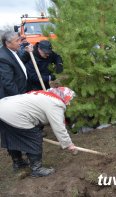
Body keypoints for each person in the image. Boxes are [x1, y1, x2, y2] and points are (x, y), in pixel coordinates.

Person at [0, 87, 76, 177]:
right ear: (64, 97)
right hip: (14, 114)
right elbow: (59, 127)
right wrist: (69, 144)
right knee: (35, 137)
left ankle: (18, 163)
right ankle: (37, 169)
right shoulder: (55, 104)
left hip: (3, 108)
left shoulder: (44, 95)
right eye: (69, 99)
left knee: (12, 136)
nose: (69, 102)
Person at [0, 31, 34, 173]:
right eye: (17, 41)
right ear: (8, 43)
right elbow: (8, 83)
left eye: (20, 40)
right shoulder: (2, 57)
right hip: (10, 99)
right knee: (11, 130)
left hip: (17, 96)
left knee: (18, 128)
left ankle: (22, 156)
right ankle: (17, 161)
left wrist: (26, 53)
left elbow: (19, 63)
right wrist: (20, 100)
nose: (20, 42)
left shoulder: (12, 51)